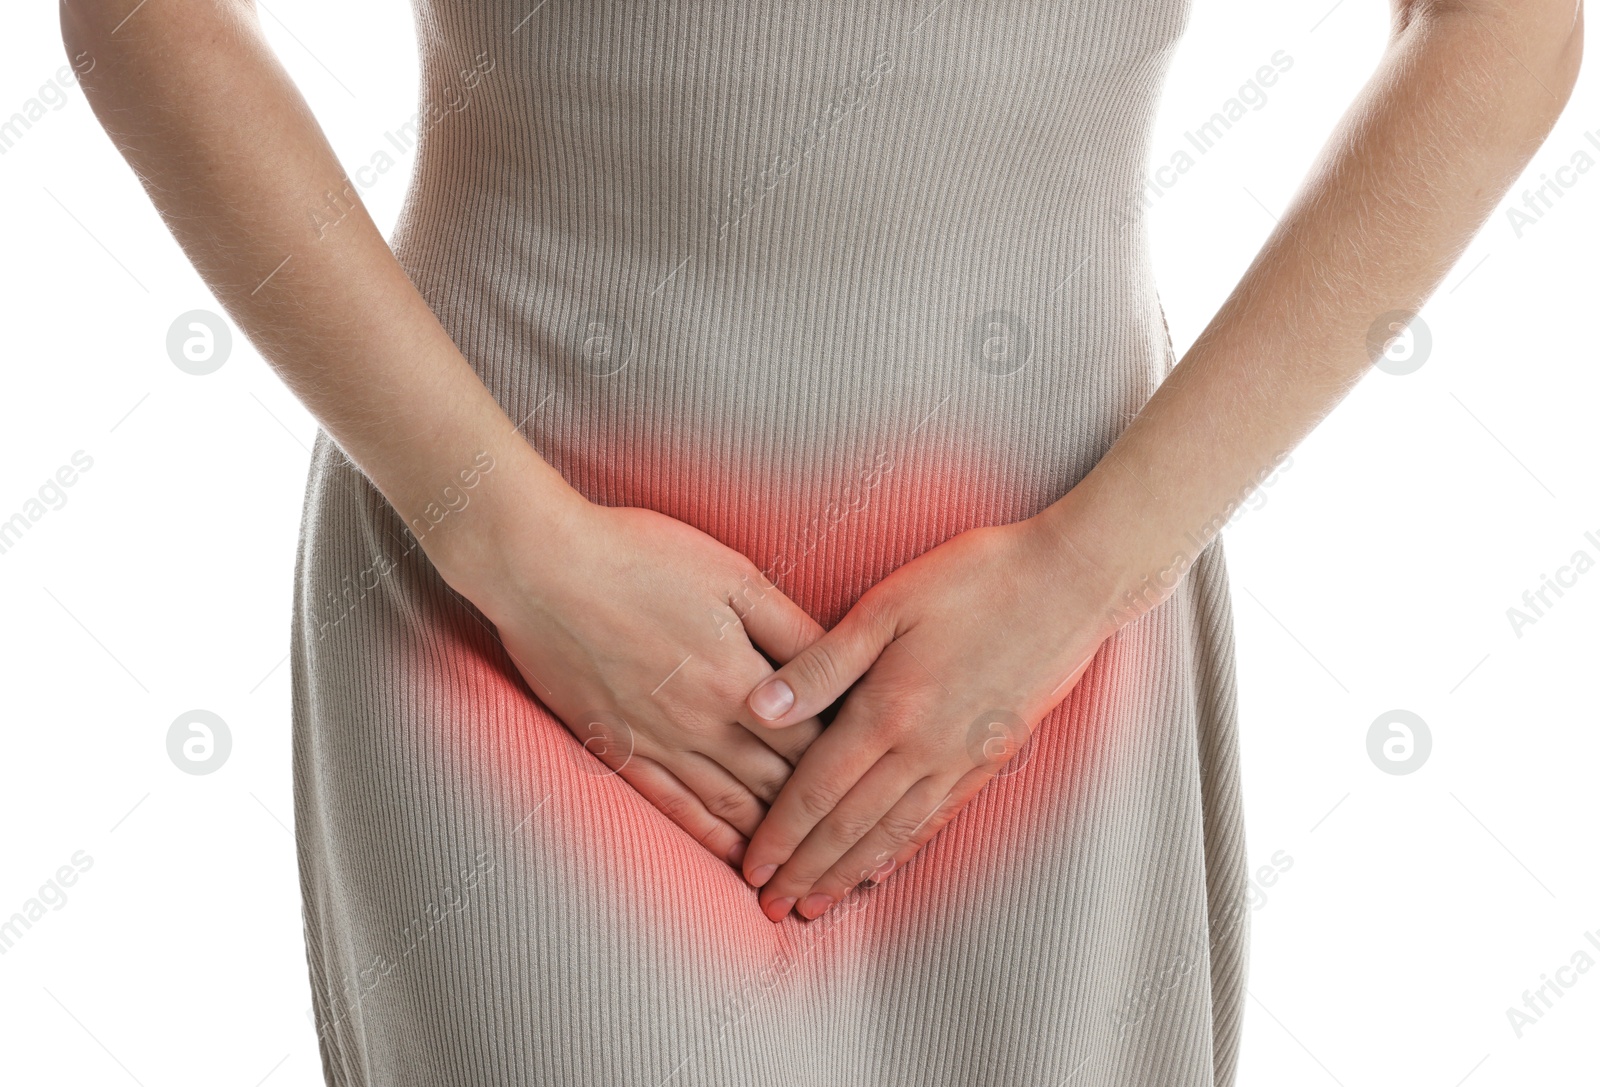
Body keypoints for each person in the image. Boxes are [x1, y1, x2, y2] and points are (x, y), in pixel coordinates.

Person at [62, 0, 1582, 1083]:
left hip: (1049, 630)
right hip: (518, 603)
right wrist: (514, 545)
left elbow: (1503, 22)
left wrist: (1084, 571)